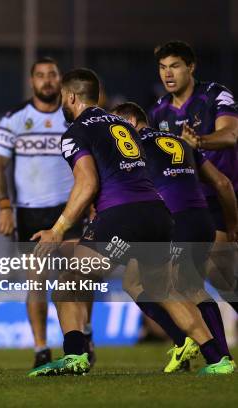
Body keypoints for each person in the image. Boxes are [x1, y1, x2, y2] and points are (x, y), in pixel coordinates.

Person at [28, 68, 233, 376]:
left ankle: (74, 357)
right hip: (159, 215)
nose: (63, 105)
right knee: (163, 289)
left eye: (63, 99)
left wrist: (57, 230)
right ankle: (218, 359)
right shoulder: (123, 125)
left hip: (122, 217)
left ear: (70, 97)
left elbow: (86, 184)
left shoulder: (76, 133)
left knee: (68, 282)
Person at [113, 101, 237, 372]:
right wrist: (232, 225)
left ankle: (218, 357)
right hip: (203, 220)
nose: (115, 136)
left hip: (175, 221)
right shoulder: (179, 142)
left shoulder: (132, 147)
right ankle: (186, 341)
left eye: (118, 128)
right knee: (134, 281)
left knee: (185, 287)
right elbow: (222, 183)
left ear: (131, 123)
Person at [0, 57, 91, 368]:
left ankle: (84, 334)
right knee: (36, 282)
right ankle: (41, 348)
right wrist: (5, 206)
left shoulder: (73, 118)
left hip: (70, 208)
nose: (47, 81)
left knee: (78, 277)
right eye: (41, 76)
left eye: (52, 75)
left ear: (60, 81)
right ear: (32, 81)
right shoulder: (15, 119)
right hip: (31, 213)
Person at [149, 41, 238, 311]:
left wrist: (199, 141)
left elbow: (231, 135)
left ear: (191, 67)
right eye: (163, 68)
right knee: (211, 275)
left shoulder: (215, 95)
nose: (168, 74)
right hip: (194, 203)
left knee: (215, 273)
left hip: (227, 193)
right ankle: (206, 344)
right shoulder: (159, 111)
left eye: (175, 66)